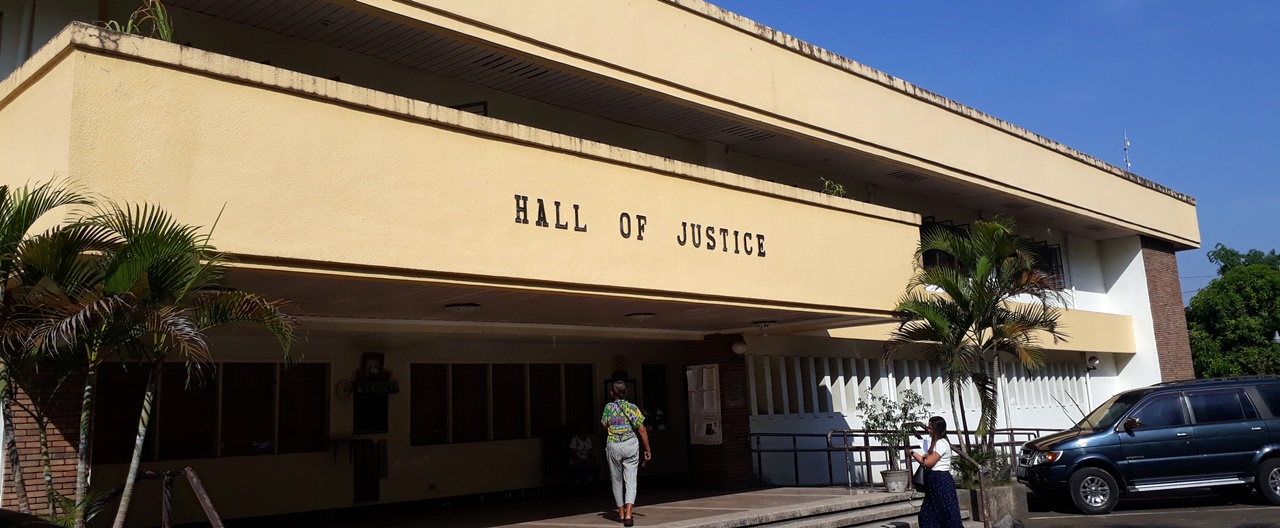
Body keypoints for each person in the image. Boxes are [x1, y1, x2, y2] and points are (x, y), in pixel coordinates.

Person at [600, 380, 651, 527]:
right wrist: (647, 449)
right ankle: (629, 515)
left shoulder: (608, 408)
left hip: (614, 445)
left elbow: (604, 425)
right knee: (631, 480)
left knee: (616, 481)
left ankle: (620, 514)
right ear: (626, 393)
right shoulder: (632, 408)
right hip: (630, 445)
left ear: (612, 393)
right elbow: (642, 430)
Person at [909, 416, 964, 528]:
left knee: (947, 514)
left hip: (941, 481)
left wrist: (912, 453)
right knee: (927, 515)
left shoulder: (941, 443)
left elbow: (928, 463)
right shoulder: (935, 443)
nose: (928, 430)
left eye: (930, 428)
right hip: (934, 481)